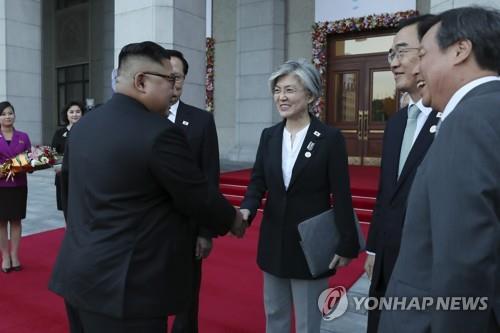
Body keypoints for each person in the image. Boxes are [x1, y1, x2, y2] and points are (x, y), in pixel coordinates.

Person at [48, 41, 246, 333]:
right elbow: (195, 194)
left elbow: (68, 197)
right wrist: (232, 219)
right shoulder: (160, 132)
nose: (173, 89)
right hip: (126, 290)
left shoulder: (85, 126)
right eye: (168, 80)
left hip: (78, 276)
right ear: (141, 81)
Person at [378, 7, 500, 333]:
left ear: (460, 50)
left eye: (424, 55)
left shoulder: (467, 122)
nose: (418, 68)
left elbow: (464, 263)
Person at [239, 59, 359, 333]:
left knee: (307, 321)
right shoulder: (269, 136)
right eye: (277, 90)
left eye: (290, 90)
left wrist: (346, 243)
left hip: (311, 244)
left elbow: (341, 193)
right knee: (275, 314)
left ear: (310, 95)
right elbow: (258, 181)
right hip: (274, 240)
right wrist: (247, 208)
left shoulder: (329, 138)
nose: (281, 97)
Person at [363, 15, 439, 333]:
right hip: (386, 263)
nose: (394, 63)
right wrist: (374, 249)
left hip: (428, 272)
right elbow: (386, 194)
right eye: (391, 54)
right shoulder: (396, 122)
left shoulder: (454, 118)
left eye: (401, 51)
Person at [165, 50, 220, 333]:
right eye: (167, 75)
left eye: (178, 76)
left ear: (184, 80)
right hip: (147, 228)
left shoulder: (201, 121)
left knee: (187, 299)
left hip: (187, 227)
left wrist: (205, 231)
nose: (172, 82)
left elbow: (209, 178)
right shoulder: (141, 119)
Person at [0, 101, 31, 273]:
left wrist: (30, 164)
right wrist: (7, 168)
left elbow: (29, 159)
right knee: (2, 222)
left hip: (19, 184)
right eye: (3, 114)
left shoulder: (23, 136)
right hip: (1, 185)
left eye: (10, 113)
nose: (7, 116)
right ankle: (5, 256)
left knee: (17, 220)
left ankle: (15, 255)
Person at [51, 101, 84, 211]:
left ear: (83, 114)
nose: (75, 114)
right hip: (63, 176)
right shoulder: (59, 133)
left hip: (82, 176)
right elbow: (53, 153)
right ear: (67, 114)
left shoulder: (88, 130)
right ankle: (68, 228)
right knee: (66, 207)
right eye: (71, 112)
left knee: (81, 208)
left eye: (78, 112)